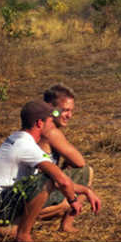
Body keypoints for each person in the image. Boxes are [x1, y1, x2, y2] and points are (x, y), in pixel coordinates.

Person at [0, 100, 102, 242]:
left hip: (0, 201)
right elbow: (60, 180)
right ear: (39, 124)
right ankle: (22, 236)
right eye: (50, 121)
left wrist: (86, 190)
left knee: (62, 179)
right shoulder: (26, 146)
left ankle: (16, 226)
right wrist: (73, 200)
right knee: (48, 181)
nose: (53, 124)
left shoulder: (19, 138)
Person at [40, 84, 94, 233]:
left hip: (29, 190)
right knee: (86, 171)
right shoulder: (50, 131)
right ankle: (67, 224)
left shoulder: (37, 124)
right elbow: (79, 162)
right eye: (65, 110)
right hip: (34, 196)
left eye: (71, 111)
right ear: (51, 108)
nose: (69, 115)